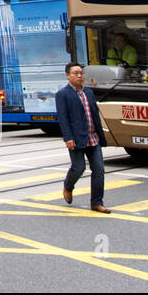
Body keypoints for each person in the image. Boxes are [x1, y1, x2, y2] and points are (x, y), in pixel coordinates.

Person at [55, 62, 111, 213]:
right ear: (67, 75)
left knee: (99, 170)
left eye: (81, 73)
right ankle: (68, 186)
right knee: (78, 168)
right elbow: (63, 118)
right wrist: (68, 137)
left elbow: (94, 115)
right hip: (76, 138)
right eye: (75, 73)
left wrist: (102, 133)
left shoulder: (88, 92)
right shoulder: (63, 94)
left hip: (93, 137)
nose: (79, 76)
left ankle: (97, 202)